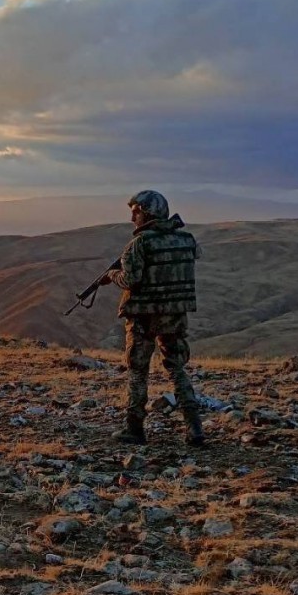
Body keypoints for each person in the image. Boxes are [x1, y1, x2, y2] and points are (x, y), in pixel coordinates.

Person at [100, 190, 204, 446]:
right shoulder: (186, 239)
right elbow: (193, 255)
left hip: (143, 316)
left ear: (147, 213)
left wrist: (112, 275)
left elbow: (131, 280)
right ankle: (194, 428)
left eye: (136, 211)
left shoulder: (139, 244)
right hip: (175, 313)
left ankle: (134, 428)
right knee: (176, 368)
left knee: (137, 370)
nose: (132, 216)